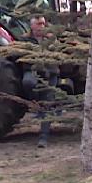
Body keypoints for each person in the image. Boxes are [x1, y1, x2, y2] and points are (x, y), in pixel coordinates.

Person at [25, 15, 61, 148]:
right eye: (38, 24)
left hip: (50, 73)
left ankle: (43, 137)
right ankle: (34, 103)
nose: (42, 26)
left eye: (43, 23)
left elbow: (58, 55)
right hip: (32, 71)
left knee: (48, 103)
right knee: (28, 82)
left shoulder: (51, 39)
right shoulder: (26, 40)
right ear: (32, 26)